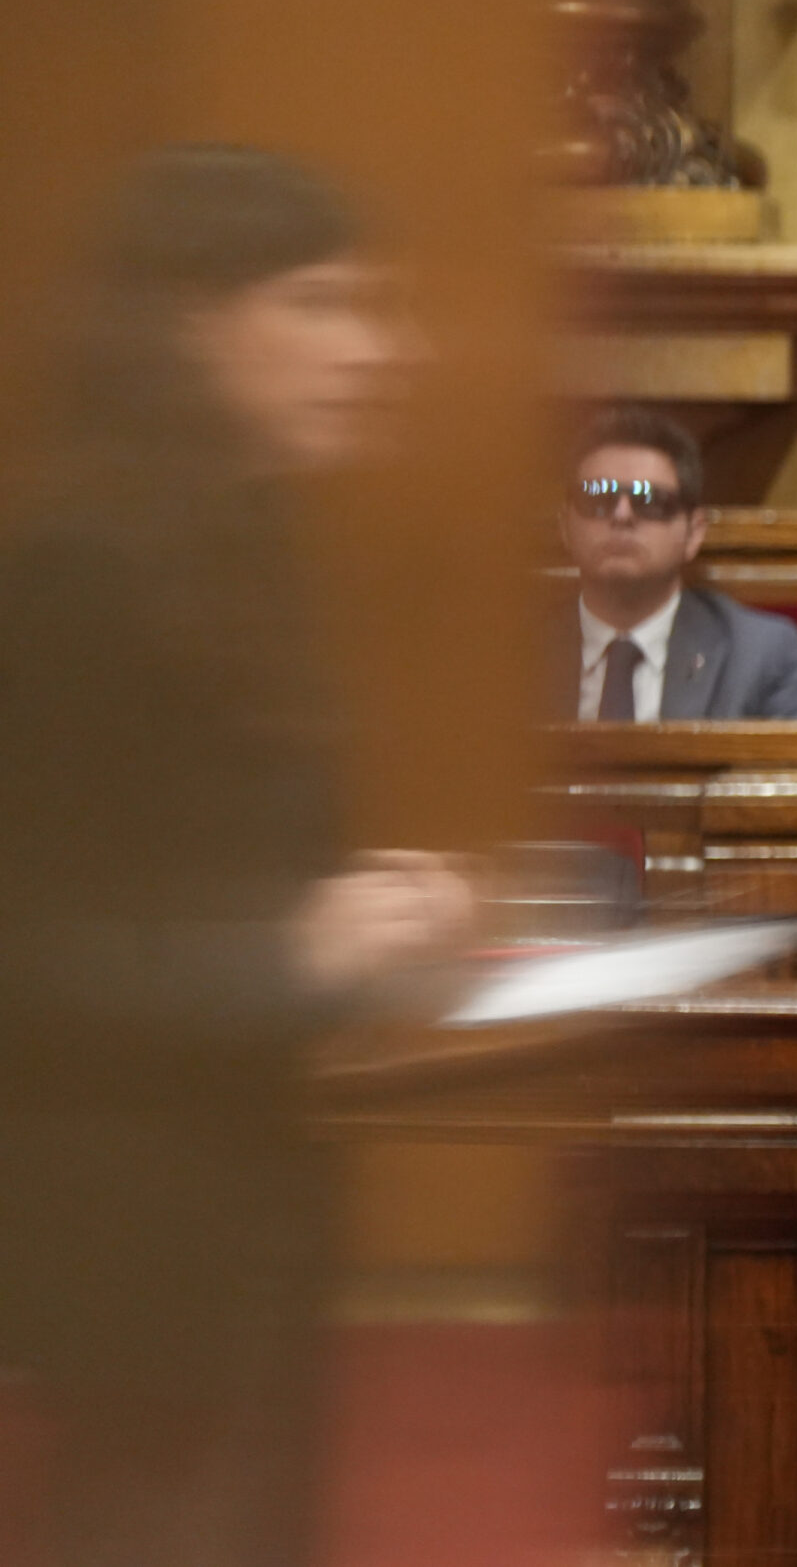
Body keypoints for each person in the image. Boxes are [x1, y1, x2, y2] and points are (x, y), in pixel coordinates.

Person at [0, 145, 476, 1567]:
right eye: (326, 304)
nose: (380, 348)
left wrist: (358, 911)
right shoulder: (75, 568)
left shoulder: (242, 533)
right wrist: (293, 946)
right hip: (131, 1233)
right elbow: (32, 941)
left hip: (237, 1207)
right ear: (197, 319)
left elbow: (192, 854)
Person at [559, 407, 797, 721]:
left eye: (650, 500)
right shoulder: (516, 649)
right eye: (598, 497)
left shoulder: (761, 654)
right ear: (565, 526)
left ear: (694, 532)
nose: (622, 516)